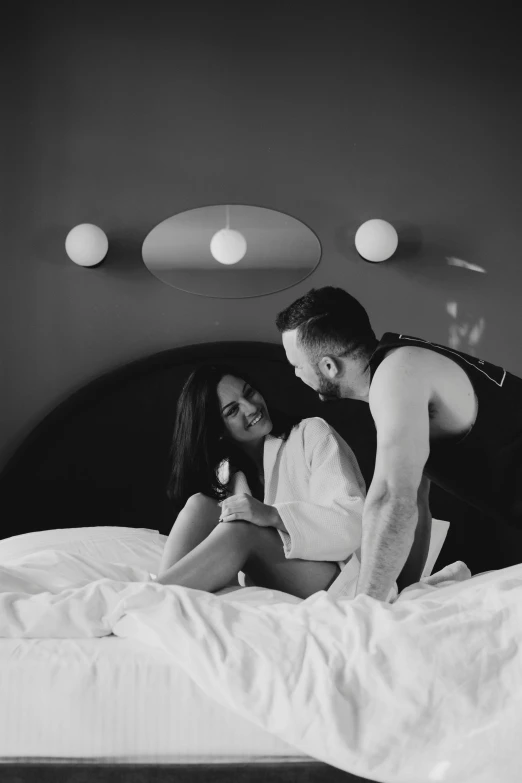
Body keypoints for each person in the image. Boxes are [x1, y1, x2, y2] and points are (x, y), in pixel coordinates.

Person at [276, 286, 522, 602]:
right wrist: (402, 595)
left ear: (328, 367)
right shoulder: (400, 368)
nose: (296, 375)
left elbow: (392, 498)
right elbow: (415, 505)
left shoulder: (396, 376)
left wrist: (364, 611)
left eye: (296, 365)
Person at [155, 364, 367, 599]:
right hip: (277, 581)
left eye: (249, 393)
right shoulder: (227, 475)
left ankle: (144, 599)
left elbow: (353, 526)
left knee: (241, 529)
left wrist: (272, 515)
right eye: (232, 410)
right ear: (218, 430)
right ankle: (157, 598)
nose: (252, 407)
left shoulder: (312, 433)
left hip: (341, 581)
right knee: (199, 505)